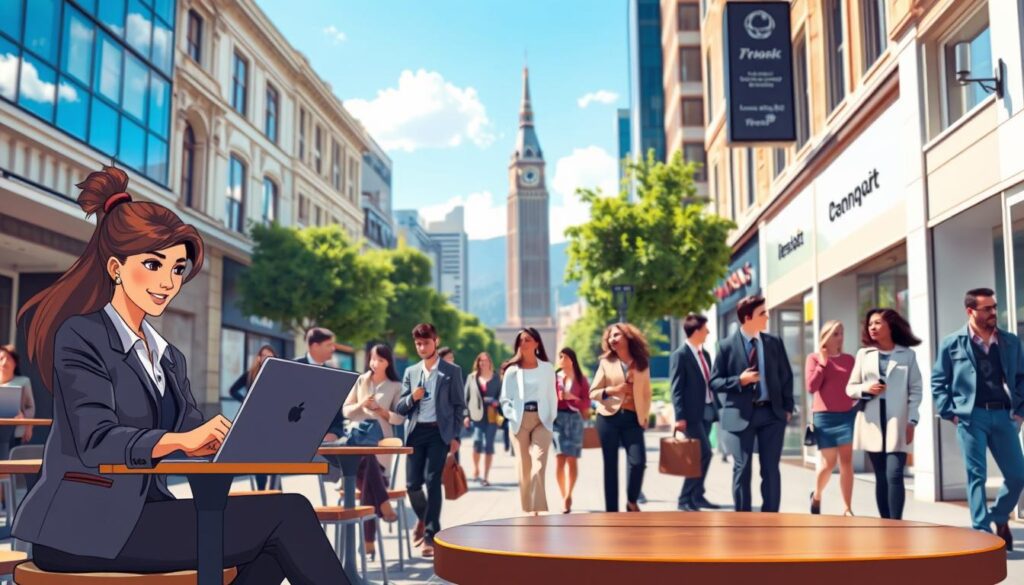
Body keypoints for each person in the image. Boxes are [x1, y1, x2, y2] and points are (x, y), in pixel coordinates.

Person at [11, 165, 347, 582]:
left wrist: (233, 439)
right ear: (115, 267)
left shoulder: (168, 357)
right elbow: (95, 439)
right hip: (82, 525)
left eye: (177, 269)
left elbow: (194, 435)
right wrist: (181, 440)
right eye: (153, 265)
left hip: (143, 516)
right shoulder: (81, 335)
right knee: (288, 513)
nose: (168, 282)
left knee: (276, 545)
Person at [932, 288, 1024, 550]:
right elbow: (939, 381)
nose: (994, 312)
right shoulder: (952, 343)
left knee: (1018, 475)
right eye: (987, 309)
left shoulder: (1010, 341)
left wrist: (1020, 412)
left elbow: (1021, 378)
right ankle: (982, 533)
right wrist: (951, 413)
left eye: (995, 307)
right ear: (970, 311)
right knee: (976, 476)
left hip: (1004, 415)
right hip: (971, 417)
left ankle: (998, 516)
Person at [710, 295, 794, 513]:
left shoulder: (774, 343)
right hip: (739, 416)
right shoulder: (726, 346)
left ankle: (771, 518)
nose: (767, 316)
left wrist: (787, 408)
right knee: (742, 468)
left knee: (771, 469)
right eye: (762, 313)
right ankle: (743, 520)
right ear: (748, 318)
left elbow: (786, 376)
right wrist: (740, 380)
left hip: (772, 415)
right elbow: (714, 381)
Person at [394, 323, 467, 558]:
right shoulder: (411, 372)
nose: (422, 347)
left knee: (432, 480)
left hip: (439, 433)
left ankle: (430, 536)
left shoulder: (451, 371)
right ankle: (428, 520)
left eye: (426, 342)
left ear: (435, 341)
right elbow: (400, 407)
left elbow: (459, 406)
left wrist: (455, 436)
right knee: (412, 485)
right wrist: (412, 398)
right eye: (418, 343)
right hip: (416, 433)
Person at [846, 308, 922, 521]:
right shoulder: (864, 354)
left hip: (897, 422)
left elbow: (916, 390)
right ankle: (886, 524)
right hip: (871, 422)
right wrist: (866, 388)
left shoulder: (907, 355)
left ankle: (895, 524)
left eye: (878, 323)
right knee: (881, 476)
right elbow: (850, 388)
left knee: (895, 474)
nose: (873, 327)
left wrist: (912, 420)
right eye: (870, 324)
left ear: (891, 325)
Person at [341, 344, 404, 559]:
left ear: (388, 363)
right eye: (372, 359)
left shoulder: (395, 386)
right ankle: (384, 504)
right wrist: (361, 405)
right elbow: (346, 411)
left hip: (380, 446)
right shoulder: (361, 381)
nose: (375, 363)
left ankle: (368, 541)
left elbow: (400, 417)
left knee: (369, 462)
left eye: (380, 360)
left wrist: (381, 411)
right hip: (356, 442)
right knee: (367, 462)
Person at [590, 323, 652, 512]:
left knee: (638, 462)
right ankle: (611, 512)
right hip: (608, 418)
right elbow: (594, 392)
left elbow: (646, 393)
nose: (612, 339)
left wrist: (645, 416)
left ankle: (632, 501)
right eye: (610, 337)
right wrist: (613, 390)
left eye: (616, 335)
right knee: (611, 466)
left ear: (627, 336)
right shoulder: (605, 363)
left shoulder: (641, 362)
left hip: (633, 419)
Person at [500, 328, 557, 516]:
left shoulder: (547, 368)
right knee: (524, 466)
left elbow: (552, 395)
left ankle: (536, 509)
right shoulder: (511, 371)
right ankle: (528, 507)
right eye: (521, 340)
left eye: (527, 340)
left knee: (539, 464)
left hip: (542, 421)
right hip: (519, 420)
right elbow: (505, 399)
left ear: (536, 343)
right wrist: (512, 415)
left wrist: (551, 416)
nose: (523, 343)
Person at [670, 313, 723, 512]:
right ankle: (684, 498)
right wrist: (679, 416)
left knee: (701, 454)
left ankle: (697, 496)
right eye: (705, 329)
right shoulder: (680, 355)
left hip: (707, 410)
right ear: (696, 331)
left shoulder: (705, 354)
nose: (708, 332)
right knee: (704, 454)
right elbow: (676, 388)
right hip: (691, 415)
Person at [807, 321, 857, 516]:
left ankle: (847, 507)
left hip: (846, 415)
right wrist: (823, 362)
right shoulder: (813, 358)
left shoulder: (849, 360)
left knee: (846, 462)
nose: (840, 337)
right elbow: (812, 387)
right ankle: (817, 495)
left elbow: (854, 385)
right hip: (824, 417)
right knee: (829, 463)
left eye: (841, 333)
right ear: (826, 336)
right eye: (835, 333)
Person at [228, 344, 277, 490]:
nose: (268, 358)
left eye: (271, 355)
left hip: (273, 419)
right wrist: (245, 402)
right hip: (255, 419)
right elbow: (233, 390)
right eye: (265, 355)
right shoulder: (251, 374)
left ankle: (273, 489)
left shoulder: (279, 373)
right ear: (259, 358)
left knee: (273, 456)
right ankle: (261, 490)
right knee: (260, 456)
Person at [553, 347, 589, 514]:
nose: (561, 359)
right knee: (559, 458)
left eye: (564, 356)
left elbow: (587, 404)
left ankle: (569, 494)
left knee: (572, 459)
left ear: (571, 360)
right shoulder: (554, 378)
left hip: (575, 419)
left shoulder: (581, 380)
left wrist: (572, 397)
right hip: (557, 419)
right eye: (560, 356)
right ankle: (564, 497)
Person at [295, 327, 343, 441]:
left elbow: (338, 414)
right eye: (329, 345)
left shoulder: (333, 375)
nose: (333, 348)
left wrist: (334, 433)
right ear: (315, 346)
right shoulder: (292, 368)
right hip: (293, 438)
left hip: (324, 444)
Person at [464, 352, 499, 485]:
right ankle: (476, 468)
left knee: (489, 446)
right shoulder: (471, 377)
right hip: (476, 416)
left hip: (491, 416)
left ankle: (485, 476)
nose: (483, 363)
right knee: (477, 443)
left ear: (490, 362)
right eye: (481, 361)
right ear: (478, 363)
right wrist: (466, 415)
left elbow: (502, 396)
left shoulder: (497, 378)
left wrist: (496, 401)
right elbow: (465, 398)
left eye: (486, 361)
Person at [0, 345, 36, 450]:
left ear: (15, 363)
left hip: (15, 431)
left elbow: (30, 406)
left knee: (11, 461)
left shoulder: (23, 382)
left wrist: (28, 425)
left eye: (9, 359)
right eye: (1, 359)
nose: (4, 363)